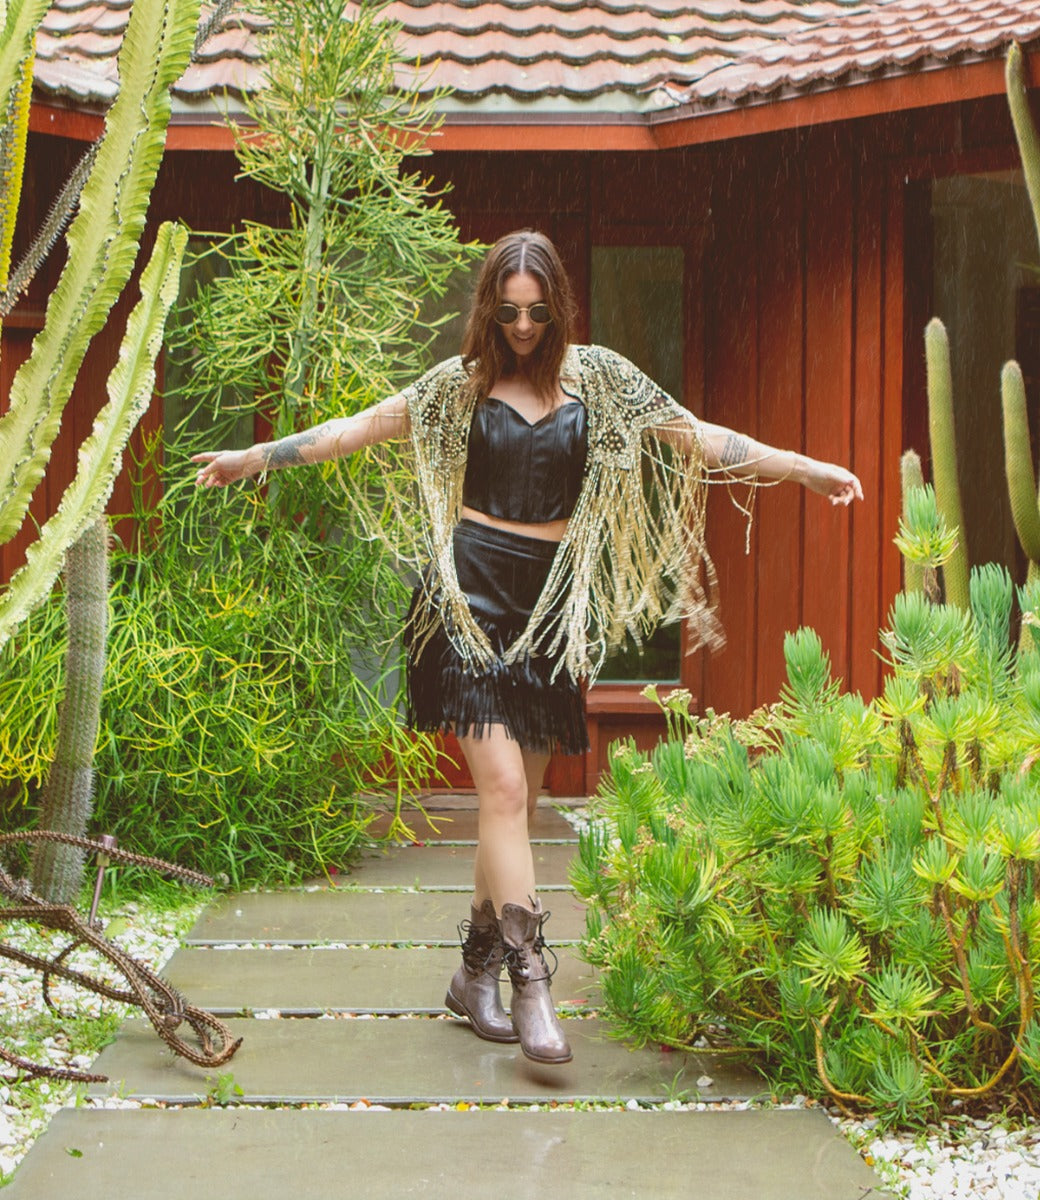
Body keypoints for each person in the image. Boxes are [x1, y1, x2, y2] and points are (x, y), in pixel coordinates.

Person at [193, 229, 863, 1066]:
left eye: (535, 312)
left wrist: (806, 468)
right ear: (488, 309)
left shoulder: (604, 379)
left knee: (516, 808)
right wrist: (252, 458)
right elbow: (354, 429)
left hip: (549, 615)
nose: (520, 326)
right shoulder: (460, 388)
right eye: (506, 312)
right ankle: (531, 982)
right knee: (504, 790)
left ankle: (470, 978)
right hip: (464, 603)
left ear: (558, 308)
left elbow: (702, 437)